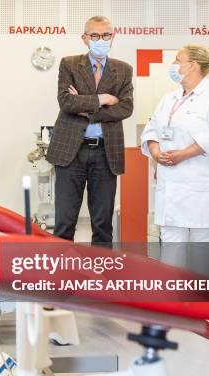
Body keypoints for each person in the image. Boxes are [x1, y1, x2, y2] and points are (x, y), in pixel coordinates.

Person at [141, 45, 209, 248]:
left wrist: (183, 155)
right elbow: (151, 129)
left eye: (177, 60)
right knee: (170, 238)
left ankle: (200, 281)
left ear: (193, 65)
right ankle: (173, 281)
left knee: (201, 239)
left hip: (202, 183)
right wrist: (156, 152)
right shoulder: (169, 98)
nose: (173, 65)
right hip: (171, 184)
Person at [47, 16, 133, 245]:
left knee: (103, 224)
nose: (100, 40)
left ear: (113, 37)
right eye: (94, 35)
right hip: (70, 153)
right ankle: (62, 276)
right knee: (65, 222)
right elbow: (66, 102)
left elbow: (126, 107)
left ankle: (102, 276)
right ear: (85, 38)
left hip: (106, 153)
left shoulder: (123, 69)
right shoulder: (69, 64)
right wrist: (104, 99)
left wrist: (86, 107)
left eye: (105, 35)